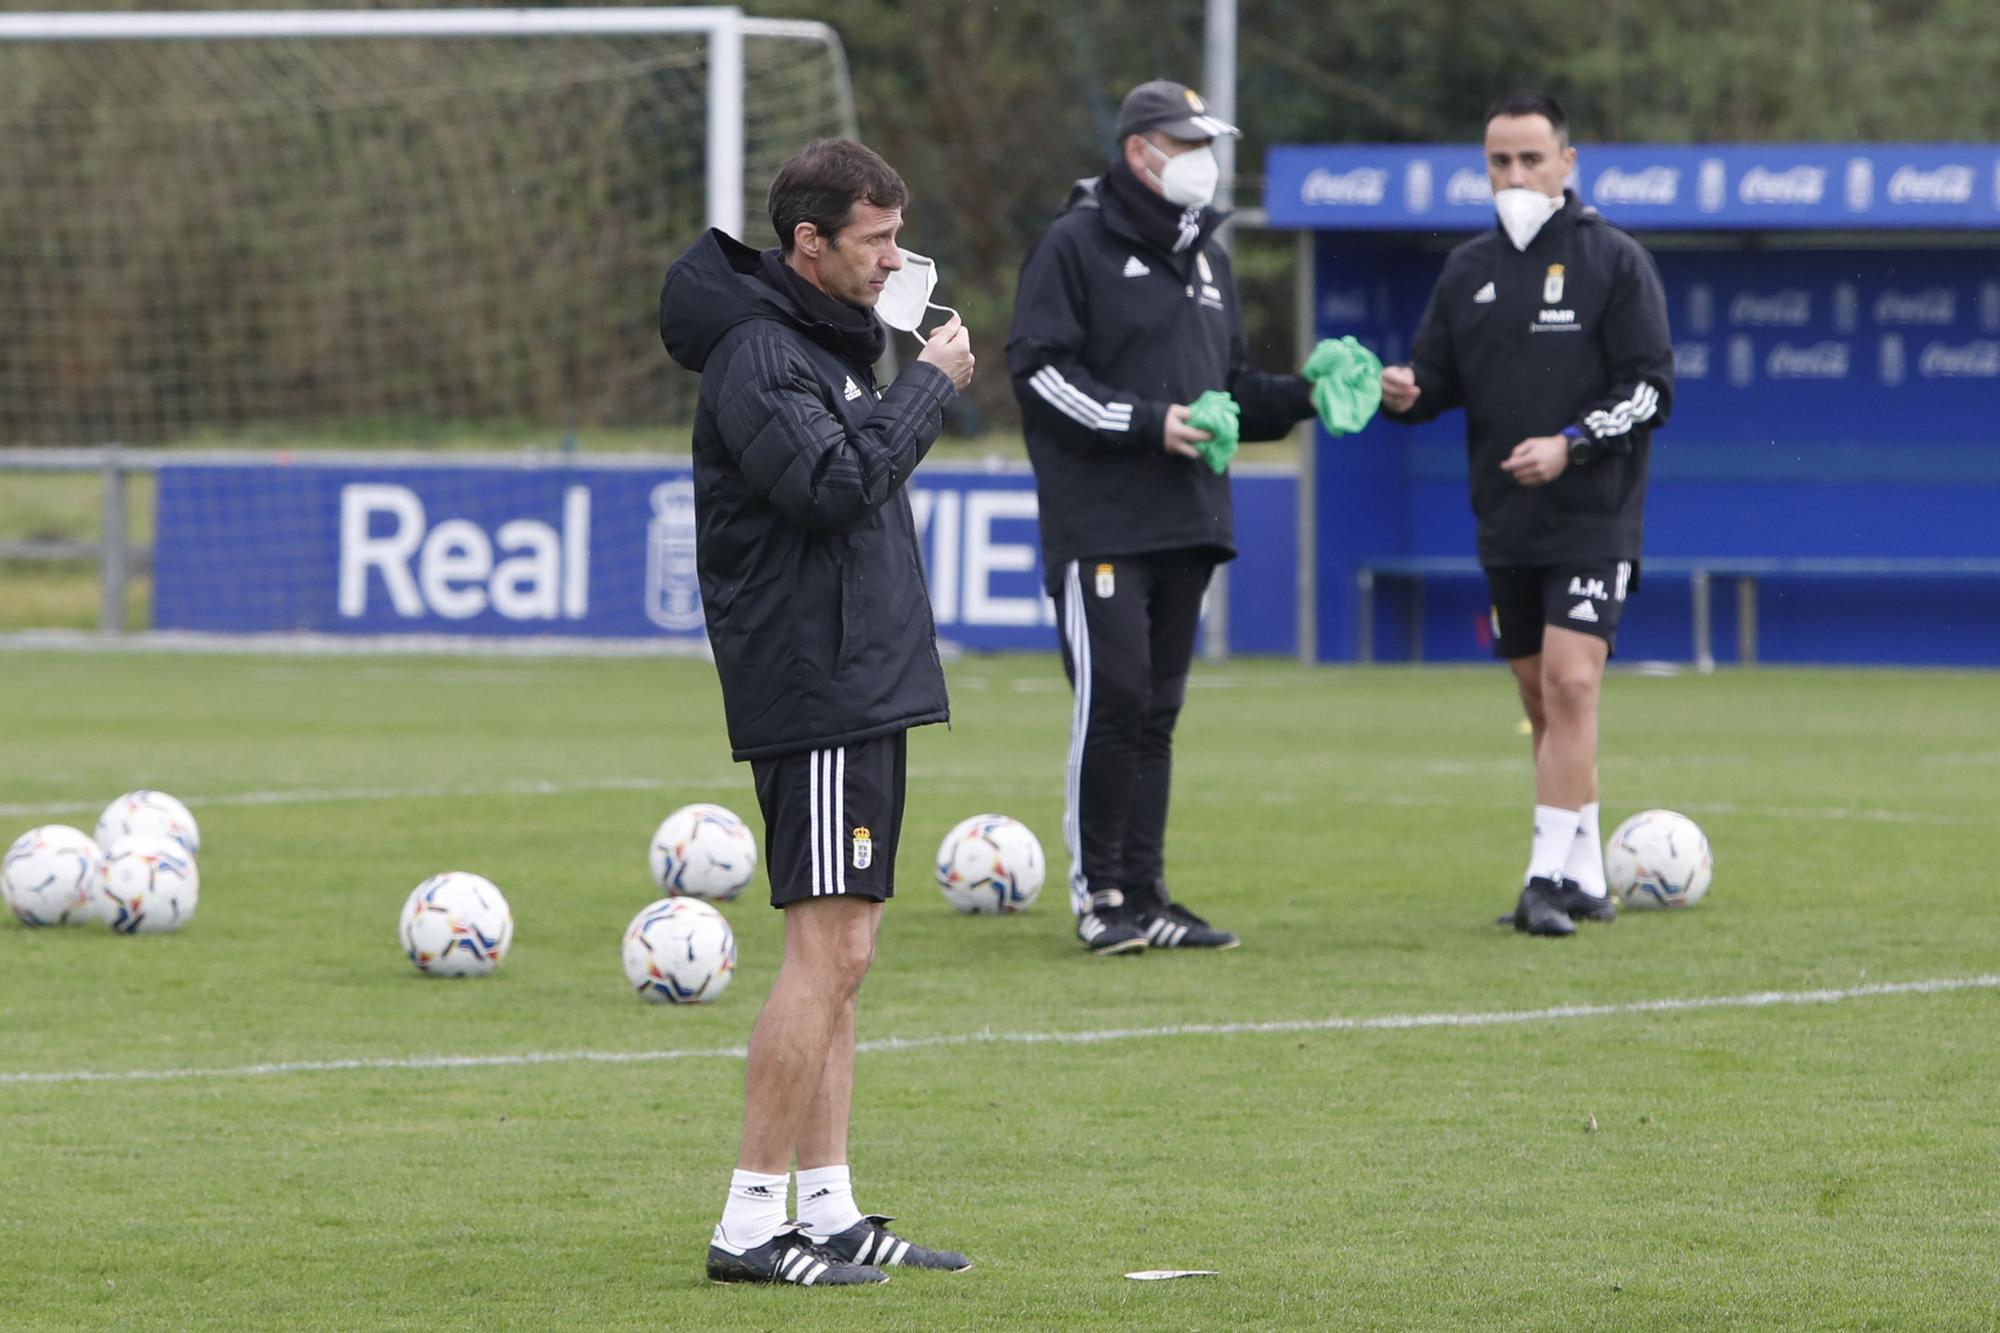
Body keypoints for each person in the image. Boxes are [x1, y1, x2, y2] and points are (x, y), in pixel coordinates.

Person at [658, 138, 976, 1285]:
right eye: (875, 241)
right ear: (808, 244)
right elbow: (833, 489)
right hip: (818, 682)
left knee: (847, 955)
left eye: (897, 235)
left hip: (860, 676)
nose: (894, 259)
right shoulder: (756, 353)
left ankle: (828, 1206)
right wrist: (929, 384)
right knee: (823, 949)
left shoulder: (826, 345)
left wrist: (899, 376)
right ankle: (749, 1221)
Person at [1008, 80, 1319, 956]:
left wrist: (1310, 396)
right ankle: (1099, 894)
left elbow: (1227, 394)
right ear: (1143, 152)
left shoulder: (1208, 256)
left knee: (1156, 715)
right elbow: (1038, 372)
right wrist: (1151, 423)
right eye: (1190, 145)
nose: (1206, 161)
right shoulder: (1075, 244)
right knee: (1112, 705)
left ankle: (1147, 893)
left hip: (1188, 520)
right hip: (1102, 522)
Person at [1379, 91, 1674, 937]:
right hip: (1505, 517)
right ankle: (1585, 871)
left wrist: (1571, 443)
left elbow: (1651, 390)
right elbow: (1436, 381)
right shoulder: (1468, 268)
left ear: (1566, 164)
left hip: (1594, 510)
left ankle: (1542, 878)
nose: (1514, 174)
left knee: (1573, 682)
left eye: (1530, 159)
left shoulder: (1614, 260)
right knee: (1542, 700)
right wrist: (1406, 390)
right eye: (1499, 162)